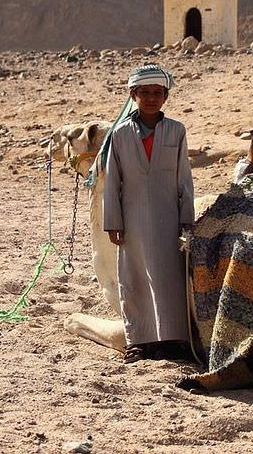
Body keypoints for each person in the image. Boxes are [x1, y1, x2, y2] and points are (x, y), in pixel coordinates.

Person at [103, 65, 195, 364]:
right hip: (132, 219)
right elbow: (113, 182)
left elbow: (184, 178)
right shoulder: (119, 134)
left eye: (157, 93)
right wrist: (113, 222)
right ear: (133, 95)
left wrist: (187, 218)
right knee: (135, 277)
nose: (151, 99)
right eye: (145, 93)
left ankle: (172, 340)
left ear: (166, 96)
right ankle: (139, 341)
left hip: (169, 216)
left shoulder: (176, 130)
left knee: (171, 278)